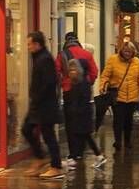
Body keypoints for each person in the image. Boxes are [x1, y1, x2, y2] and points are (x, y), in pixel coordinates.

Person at [21, 31, 64, 179]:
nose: (28, 47)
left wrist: (37, 97)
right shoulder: (39, 57)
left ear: (37, 44)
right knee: (27, 129)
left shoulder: (44, 59)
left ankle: (56, 166)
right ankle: (40, 158)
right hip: (39, 104)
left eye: (29, 44)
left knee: (48, 135)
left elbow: (49, 82)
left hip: (44, 105)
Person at [100, 40, 139, 153]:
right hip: (117, 95)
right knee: (118, 119)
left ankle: (127, 140)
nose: (128, 54)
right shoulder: (113, 60)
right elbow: (105, 75)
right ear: (122, 50)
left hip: (132, 95)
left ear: (133, 52)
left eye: (130, 52)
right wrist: (103, 87)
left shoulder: (136, 61)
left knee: (128, 120)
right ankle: (118, 141)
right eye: (126, 51)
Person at [62, 59, 105, 170]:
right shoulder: (77, 83)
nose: (71, 72)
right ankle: (78, 157)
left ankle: (78, 157)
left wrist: (75, 111)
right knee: (83, 136)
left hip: (82, 115)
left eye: (74, 69)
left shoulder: (82, 84)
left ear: (79, 71)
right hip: (81, 115)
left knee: (83, 136)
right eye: (70, 70)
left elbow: (81, 101)